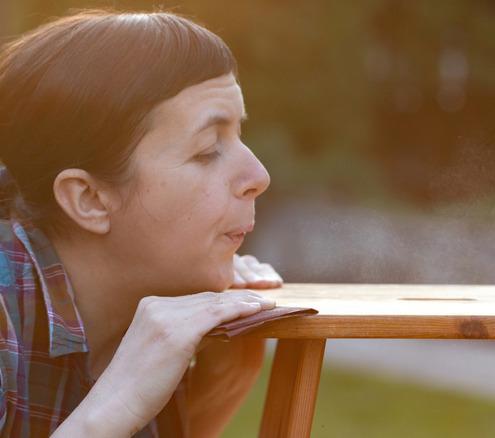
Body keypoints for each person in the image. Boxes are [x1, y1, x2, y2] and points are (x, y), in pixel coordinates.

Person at [0, 9, 284, 437]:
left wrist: (226, 378)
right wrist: (119, 404)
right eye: (208, 150)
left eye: (239, 136)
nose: (258, 177)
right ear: (90, 199)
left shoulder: (143, 318)